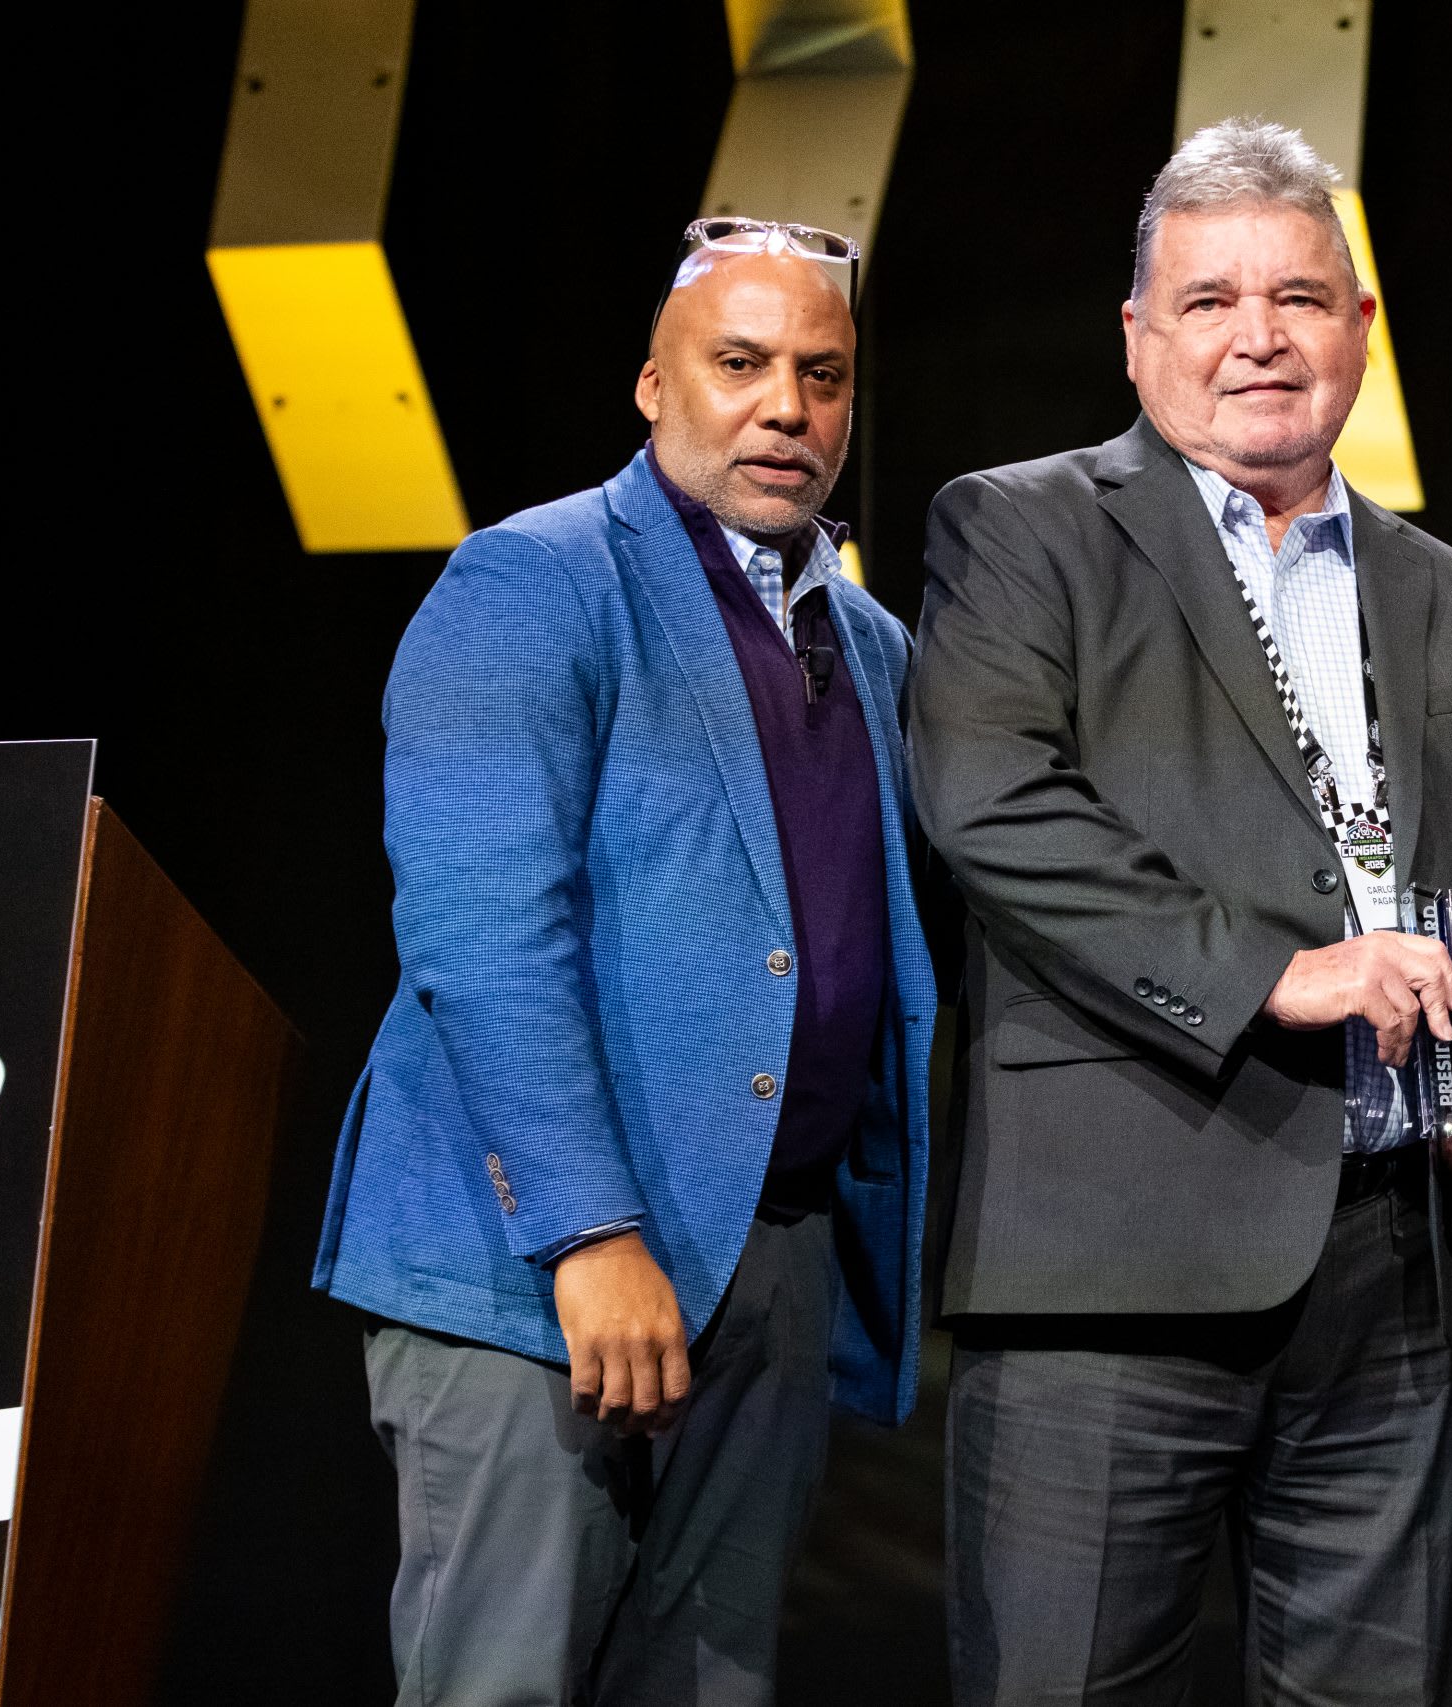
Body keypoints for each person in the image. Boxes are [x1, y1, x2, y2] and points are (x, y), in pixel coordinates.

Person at [908, 119, 1452, 1705]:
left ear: (1359, 330)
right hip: (1114, 1264)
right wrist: (1279, 973)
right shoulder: (1021, 529)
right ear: (1139, 338)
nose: (1258, 337)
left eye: (1297, 296)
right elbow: (994, 809)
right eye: (1208, 300)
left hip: (1404, 1269)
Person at [312, 216, 935, 1706]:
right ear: (654, 387)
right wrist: (590, 1236)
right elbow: (480, 930)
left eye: (823, 375)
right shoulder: (532, 581)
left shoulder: (872, 643)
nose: (787, 405)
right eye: (741, 364)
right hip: (538, 1273)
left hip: (768, 1268)